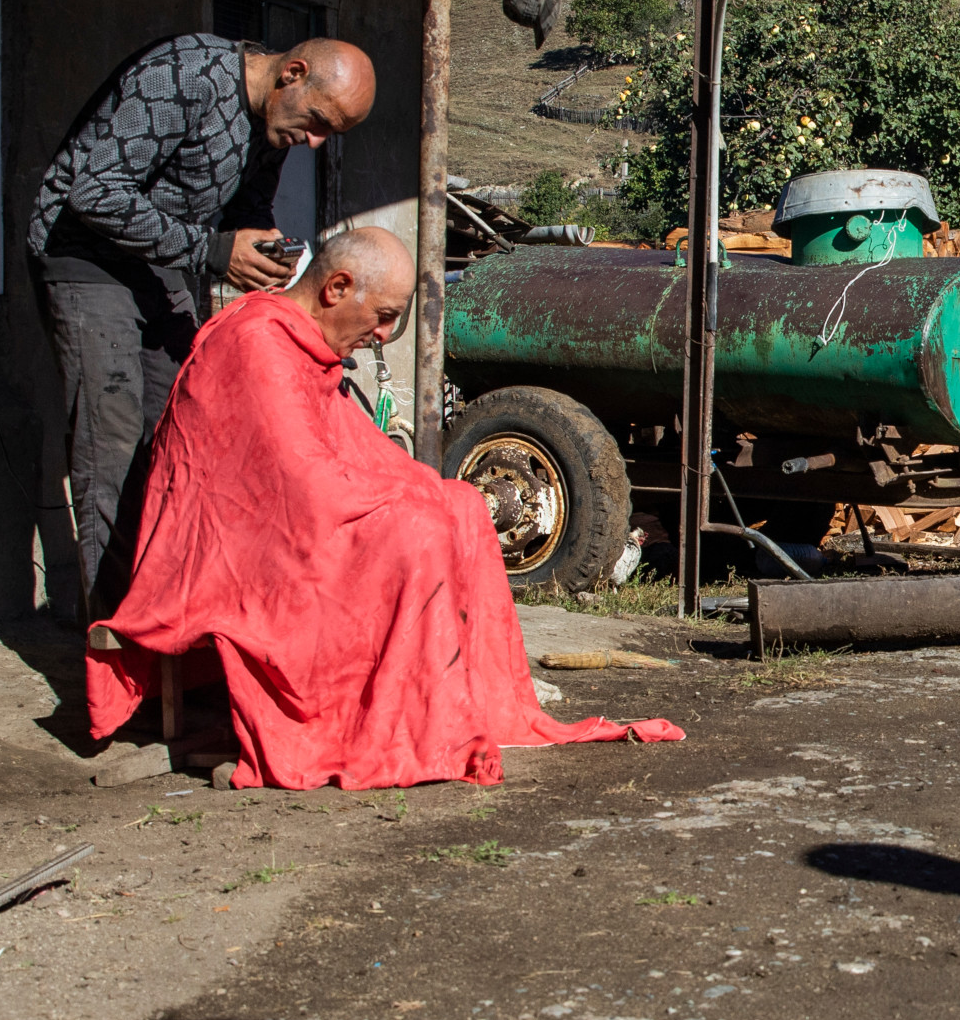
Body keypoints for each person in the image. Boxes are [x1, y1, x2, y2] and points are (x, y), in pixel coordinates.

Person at [85, 229, 682, 789]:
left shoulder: (306, 347)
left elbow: (354, 459)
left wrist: (425, 491)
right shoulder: (254, 342)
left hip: (298, 521)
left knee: (463, 508)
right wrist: (405, 500)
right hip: (251, 553)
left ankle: (429, 706)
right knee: (417, 528)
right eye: (383, 316)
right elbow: (293, 492)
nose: (382, 334)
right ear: (337, 288)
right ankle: (368, 718)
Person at [28, 32, 376, 617]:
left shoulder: (275, 120)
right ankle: (115, 645)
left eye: (330, 135)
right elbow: (94, 193)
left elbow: (245, 214)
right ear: (292, 73)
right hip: (83, 256)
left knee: (184, 422)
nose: (314, 143)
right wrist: (213, 252)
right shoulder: (187, 77)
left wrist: (263, 247)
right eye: (317, 122)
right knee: (110, 444)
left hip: (157, 263)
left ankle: (166, 621)